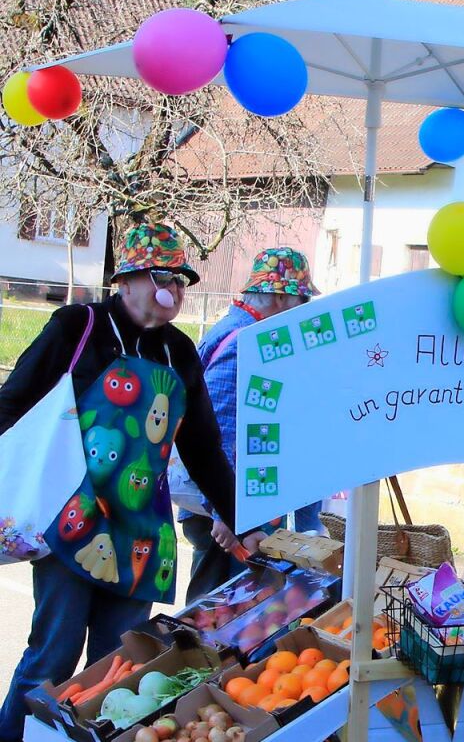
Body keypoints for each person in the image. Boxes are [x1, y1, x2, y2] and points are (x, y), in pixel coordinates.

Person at [0, 222, 263, 741]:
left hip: (142, 532)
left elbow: (203, 449)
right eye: (161, 275)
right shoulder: (78, 325)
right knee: (52, 654)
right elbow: (13, 400)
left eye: (182, 279)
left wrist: (243, 521)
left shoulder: (180, 353)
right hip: (72, 520)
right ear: (125, 281)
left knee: (118, 668)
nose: (173, 288)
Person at [178, 246, 322, 602]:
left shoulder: (244, 332)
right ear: (278, 298)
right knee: (219, 613)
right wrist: (228, 513)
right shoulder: (244, 343)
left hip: (233, 506)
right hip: (228, 511)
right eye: (301, 299)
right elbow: (218, 432)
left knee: (226, 610)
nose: (305, 310)